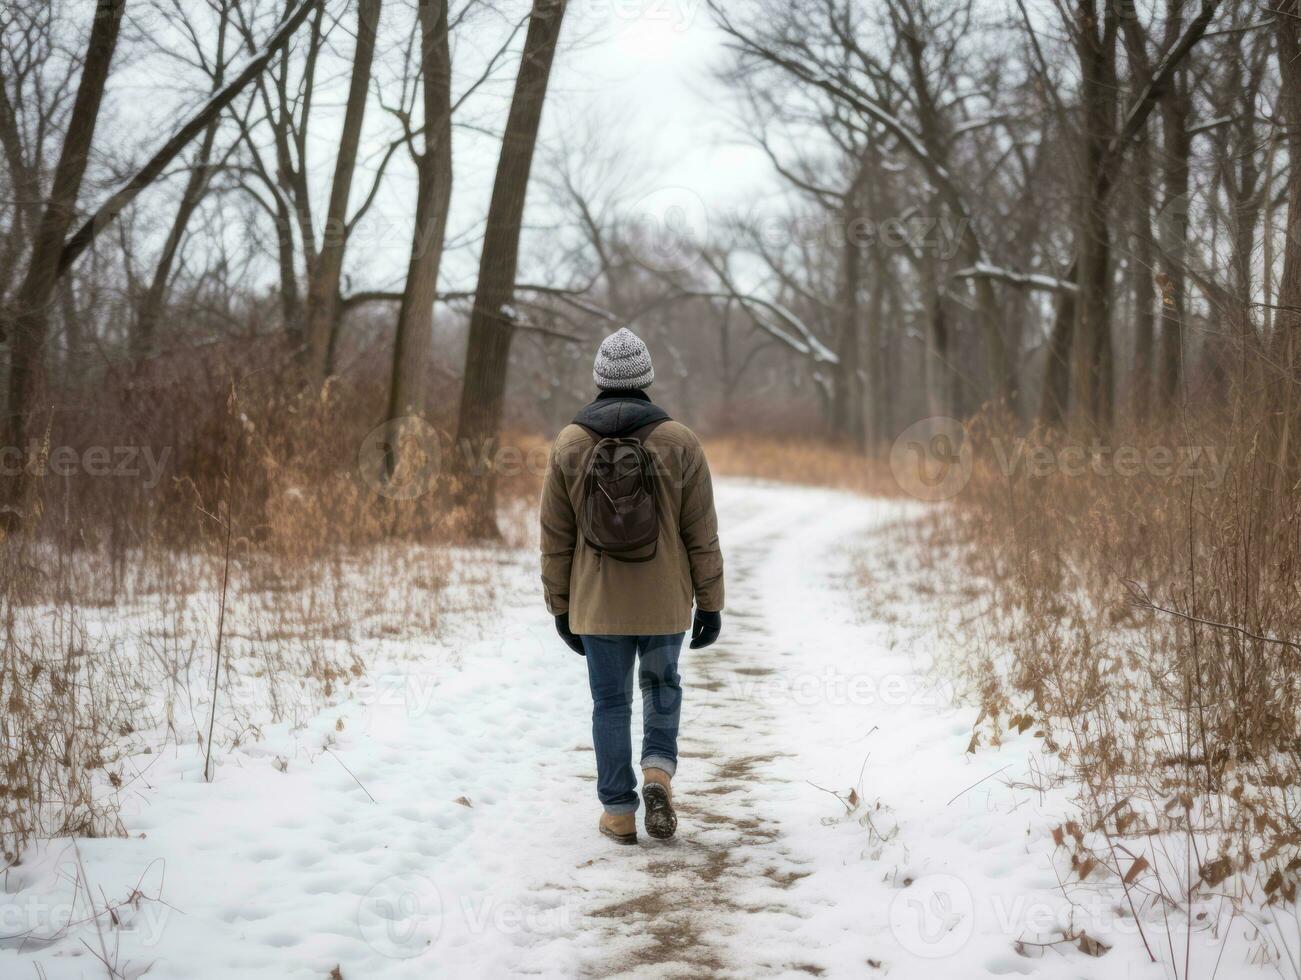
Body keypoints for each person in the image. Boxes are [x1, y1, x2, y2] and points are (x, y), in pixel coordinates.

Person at [540, 327, 725, 845]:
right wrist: (709, 602)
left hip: (597, 604)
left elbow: (555, 537)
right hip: (665, 600)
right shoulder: (680, 441)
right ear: (646, 378)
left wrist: (561, 606)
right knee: (662, 687)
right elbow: (701, 533)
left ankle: (618, 813)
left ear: (599, 378)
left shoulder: (570, 443)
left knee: (610, 703)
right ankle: (658, 775)